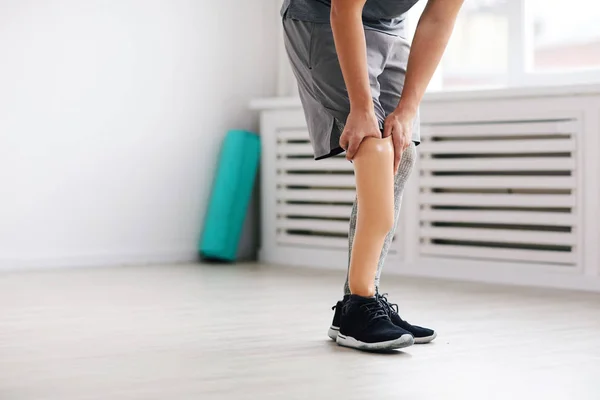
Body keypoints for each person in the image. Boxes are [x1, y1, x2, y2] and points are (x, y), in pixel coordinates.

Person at [281, 0, 464, 351]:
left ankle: (360, 302)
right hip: (322, 15)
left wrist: (408, 109)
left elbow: (439, 18)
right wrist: (361, 108)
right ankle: (360, 304)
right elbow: (344, 10)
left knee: (400, 149)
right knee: (373, 147)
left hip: (387, 25)